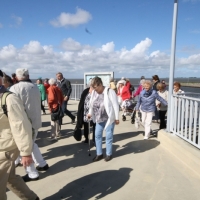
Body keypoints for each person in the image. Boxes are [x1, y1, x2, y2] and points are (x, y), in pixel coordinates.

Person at [0, 70, 39, 200]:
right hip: (4, 145)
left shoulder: (9, 98)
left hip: (6, 149)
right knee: (10, 178)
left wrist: (25, 152)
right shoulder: (33, 87)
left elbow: (20, 126)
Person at [10, 68, 49, 182]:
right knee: (31, 144)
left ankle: (32, 173)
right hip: (35, 120)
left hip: (24, 122)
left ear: (17, 77)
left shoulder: (14, 88)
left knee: (24, 147)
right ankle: (42, 164)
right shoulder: (35, 87)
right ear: (28, 75)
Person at [87, 77, 119, 162]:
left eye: (96, 87)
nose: (94, 89)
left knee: (108, 136)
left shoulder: (109, 91)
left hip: (109, 118)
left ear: (100, 84)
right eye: (93, 88)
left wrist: (117, 118)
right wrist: (90, 113)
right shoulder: (94, 92)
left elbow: (115, 105)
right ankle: (99, 154)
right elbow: (91, 104)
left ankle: (109, 154)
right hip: (98, 118)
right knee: (97, 135)